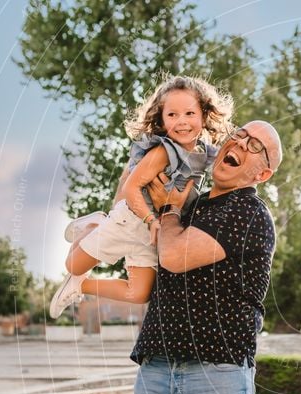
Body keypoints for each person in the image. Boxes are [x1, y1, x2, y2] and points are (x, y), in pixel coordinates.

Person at [127, 120, 282, 394]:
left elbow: (174, 256)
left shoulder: (249, 212)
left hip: (217, 373)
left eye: (255, 147)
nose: (240, 143)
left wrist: (170, 209)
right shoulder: (193, 204)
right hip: (156, 368)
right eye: (238, 134)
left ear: (262, 173)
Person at [49, 75, 232, 318]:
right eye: (172, 115)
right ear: (161, 119)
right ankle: (93, 225)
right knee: (72, 265)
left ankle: (80, 285)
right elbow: (131, 188)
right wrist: (150, 219)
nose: (182, 122)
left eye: (190, 113)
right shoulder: (163, 151)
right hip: (133, 220)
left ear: (204, 115)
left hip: (152, 232)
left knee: (138, 293)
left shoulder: (203, 154)